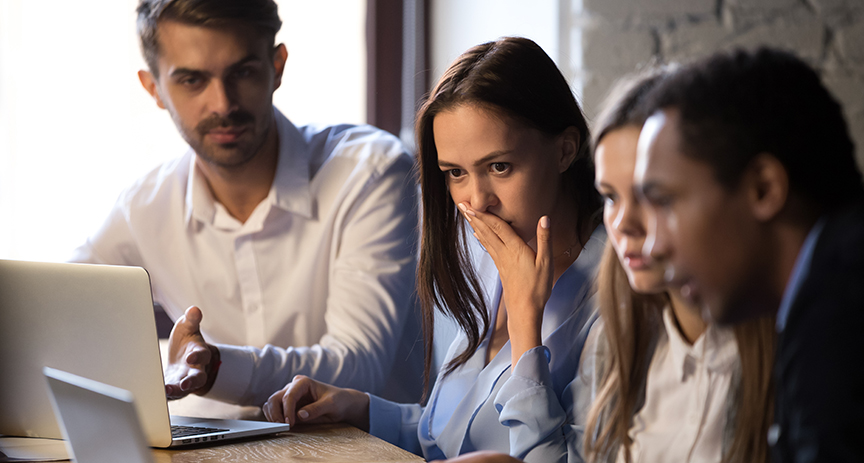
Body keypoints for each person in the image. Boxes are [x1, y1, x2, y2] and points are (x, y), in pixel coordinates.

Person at [261, 37, 606, 462]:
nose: (477, 201)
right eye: (456, 173)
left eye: (499, 167)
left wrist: (526, 331)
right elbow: (451, 438)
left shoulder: (613, 300)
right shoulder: (485, 256)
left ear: (565, 150)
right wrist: (360, 408)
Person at [70, 0, 423, 412]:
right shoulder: (144, 207)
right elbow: (53, 310)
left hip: (369, 452)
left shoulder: (369, 171)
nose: (222, 104)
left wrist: (216, 367)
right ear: (154, 89)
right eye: (192, 80)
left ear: (277, 66)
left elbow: (360, 366)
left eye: (242, 72)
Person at [635, 47, 864, 462]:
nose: (653, 246)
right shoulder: (822, 300)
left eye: (665, 202)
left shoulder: (841, 322)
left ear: (763, 188)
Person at [574, 69, 776, 463]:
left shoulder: (795, 353)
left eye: (652, 194)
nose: (623, 224)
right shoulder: (613, 346)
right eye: (611, 197)